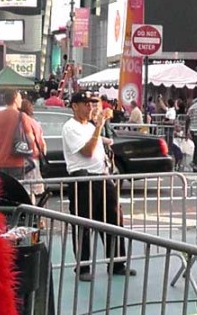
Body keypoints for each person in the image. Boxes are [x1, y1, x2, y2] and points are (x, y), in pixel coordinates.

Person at [61, 91, 134, 282]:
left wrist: (102, 132)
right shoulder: (71, 127)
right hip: (83, 178)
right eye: (85, 104)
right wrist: (99, 127)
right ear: (75, 106)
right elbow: (86, 151)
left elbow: (97, 144)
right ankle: (83, 266)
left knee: (113, 220)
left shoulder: (90, 125)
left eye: (91, 103)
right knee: (84, 223)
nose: (90, 107)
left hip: (101, 176)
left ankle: (117, 262)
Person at [0, 89, 34, 179]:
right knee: (15, 190)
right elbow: (30, 138)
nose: (21, 100)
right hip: (16, 161)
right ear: (15, 98)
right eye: (20, 97)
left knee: (3, 190)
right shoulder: (21, 116)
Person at [19, 100, 46, 201]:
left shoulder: (22, 122)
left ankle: (30, 213)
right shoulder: (35, 123)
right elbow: (42, 143)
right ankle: (34, 213)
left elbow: (28, 140)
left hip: (26, 160)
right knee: (32, 190)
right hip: (36, 159)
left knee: (26, 189)